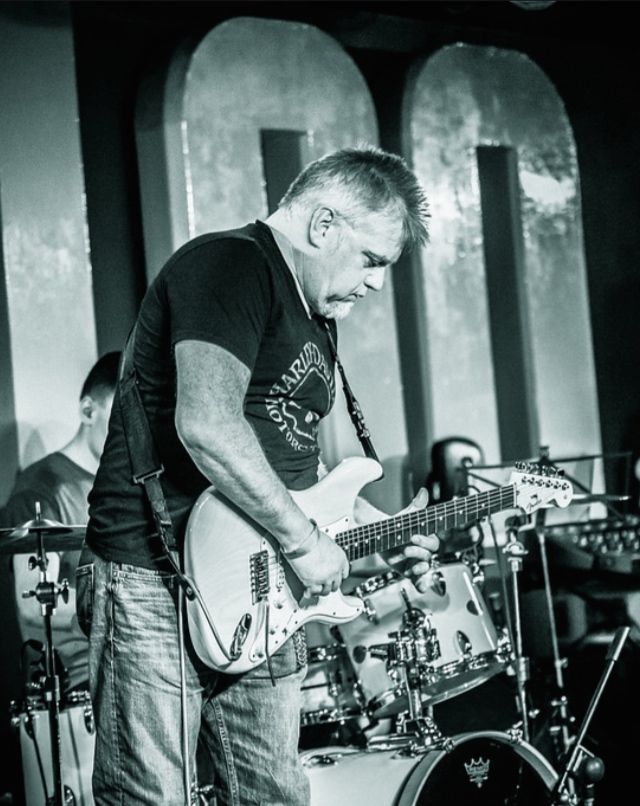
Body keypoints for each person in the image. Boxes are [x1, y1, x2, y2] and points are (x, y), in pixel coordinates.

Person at [79, 146, 439, 806]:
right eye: (372, 259)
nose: (377, 284)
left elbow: (297, 469)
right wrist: (304, 542)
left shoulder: (316, 315)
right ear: (323, 225)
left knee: (273, 794)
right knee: (150, 797)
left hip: (263, 589)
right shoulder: (231, 264)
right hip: (156, 577)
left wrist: (379, 531)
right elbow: (208, 425)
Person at [0, 351, 120, 695]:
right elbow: (32, 606)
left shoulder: (125, 487)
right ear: (88, 411)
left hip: (130, 662)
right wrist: (121, 611)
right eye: (120, 417)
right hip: (81, 680)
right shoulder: (41, 489)